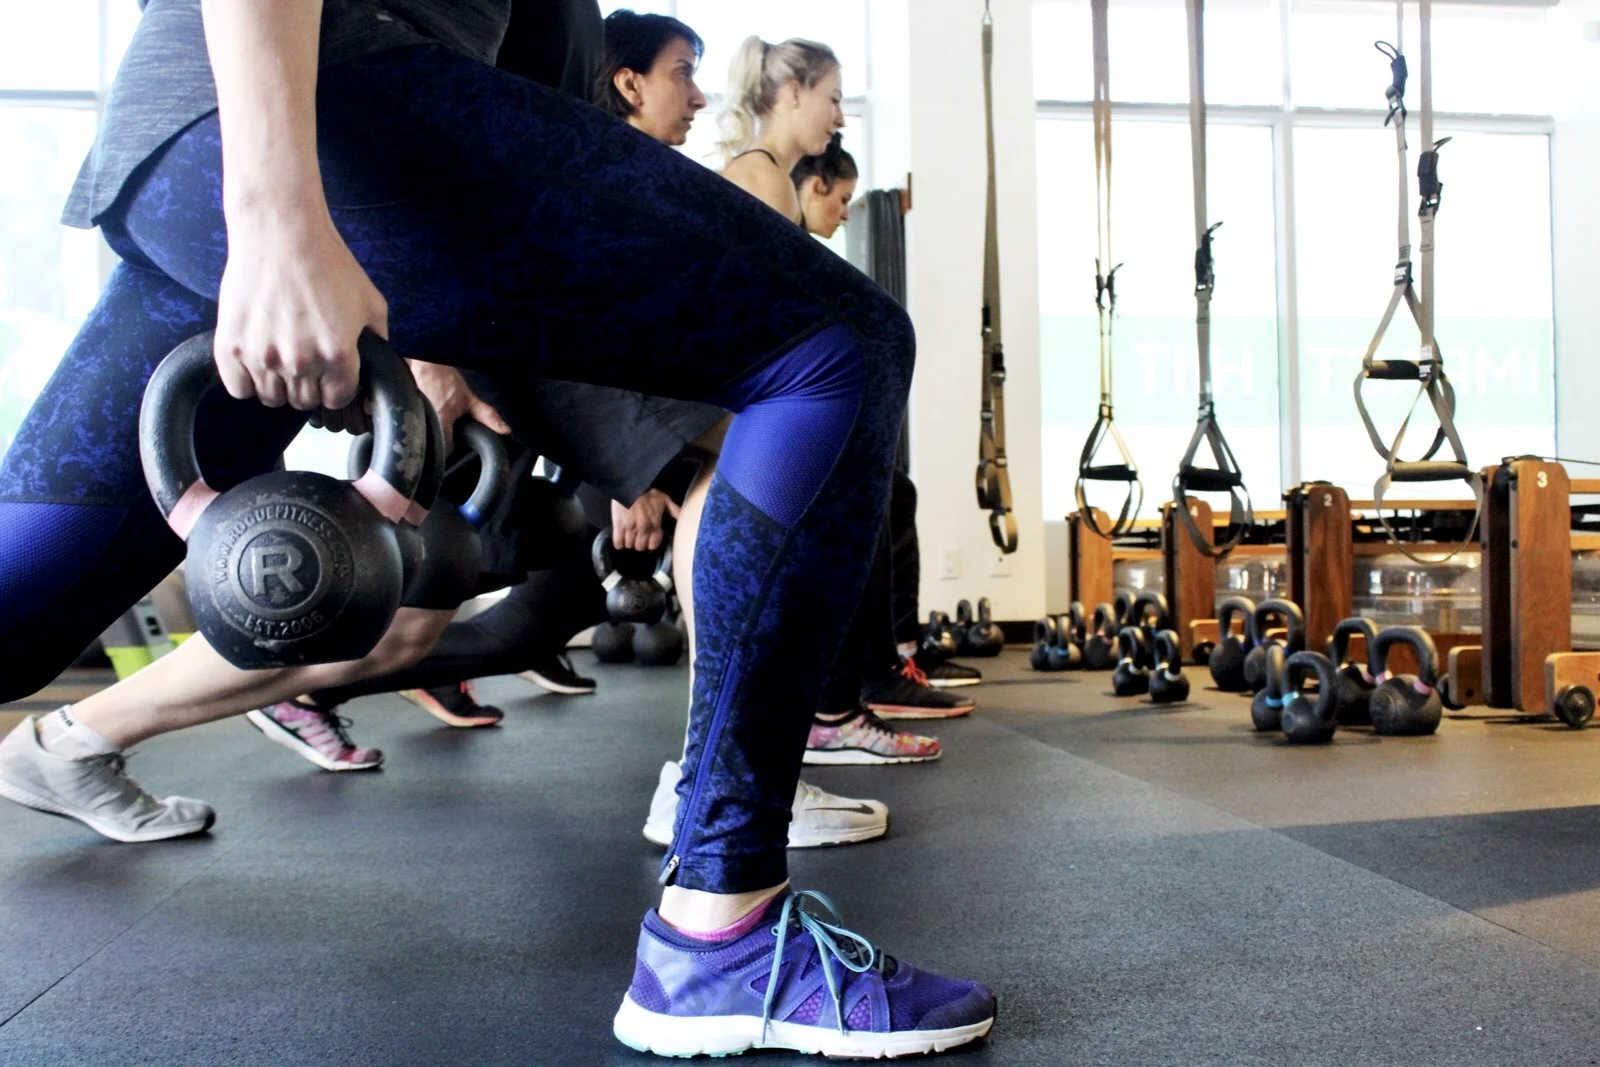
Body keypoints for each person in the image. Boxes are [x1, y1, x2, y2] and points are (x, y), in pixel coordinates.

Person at [0, 0, 995, 1057]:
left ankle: (71, 742)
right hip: (310, 113)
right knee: (837, 344)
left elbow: (526, 107)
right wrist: (276, 208)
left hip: (214, 132)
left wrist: (452, 340)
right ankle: (723, 929)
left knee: (25, 604)